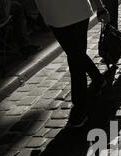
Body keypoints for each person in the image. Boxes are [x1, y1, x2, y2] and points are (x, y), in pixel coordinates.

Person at [35, 0, 109, 128]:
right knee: (76, 55)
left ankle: (80, 106)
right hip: (53, 16)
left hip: (76, 13)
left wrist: (100, 6)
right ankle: (98, 79)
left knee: (75, 60)